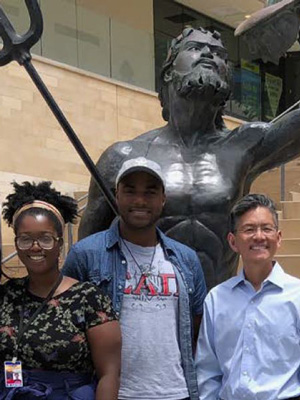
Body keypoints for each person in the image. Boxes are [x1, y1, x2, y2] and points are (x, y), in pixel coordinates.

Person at [78, 26, 300, 291]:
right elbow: (87, 251)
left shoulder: (243, 145)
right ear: (169, 71)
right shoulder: (126, 156)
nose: (208, 53)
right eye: (195, 48)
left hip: (215, 312)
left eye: (219, 54)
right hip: (148, 309)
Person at [63, 157, 207, 400]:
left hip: (176, 393)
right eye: (130, 191)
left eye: (150, 192)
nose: (140, 201)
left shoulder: (186, 259)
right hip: (113, 393)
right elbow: (64, 322)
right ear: (117, 195)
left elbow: (196, 327)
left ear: (163, 199)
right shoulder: (86, 254)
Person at [0, 181, 121, 400]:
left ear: (60, 243)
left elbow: (109, 374)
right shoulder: (6, 295)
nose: (35, 247)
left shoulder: (89, 299)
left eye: (45, 239)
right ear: (17, 244)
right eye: (25, 239)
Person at [195, 194, 300, 400]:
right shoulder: (217, 299)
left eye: (266, 228)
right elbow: (208, 369)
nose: (259, 236)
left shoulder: (297, 295)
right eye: (249, 229)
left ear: (278, 238)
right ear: (233, 242)